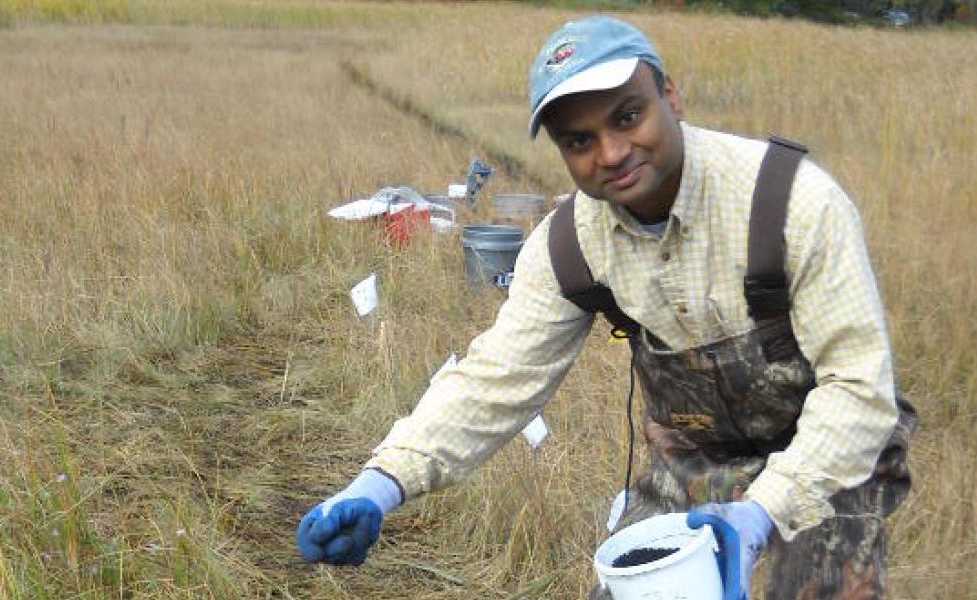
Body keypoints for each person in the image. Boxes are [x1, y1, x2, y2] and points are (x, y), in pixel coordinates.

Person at [295, 14, 916, 600]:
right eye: (580, 140)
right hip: (693, 464)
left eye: (627, 116)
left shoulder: (793, 204)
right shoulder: (569, 246)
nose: (612, 152)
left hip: (830, 458)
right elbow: (494, 382)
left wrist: (760, 513)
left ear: (671, 96)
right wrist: (377, 487)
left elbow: (860, 389)